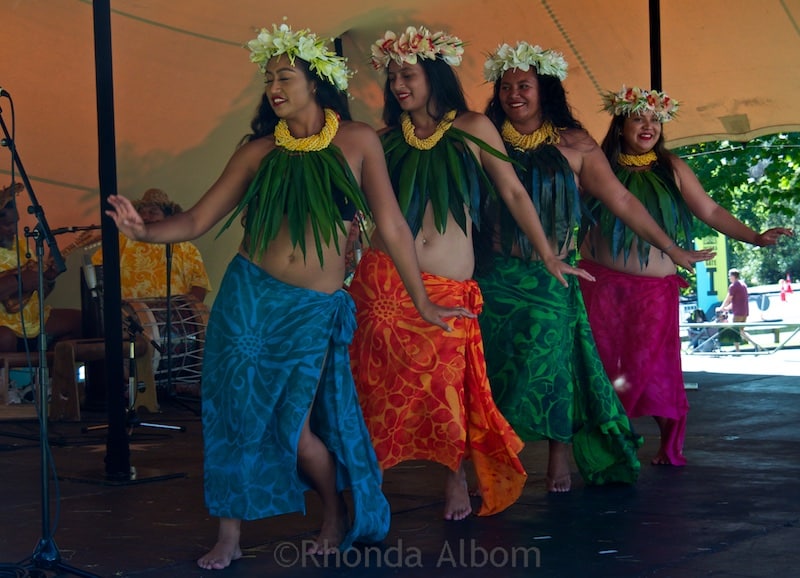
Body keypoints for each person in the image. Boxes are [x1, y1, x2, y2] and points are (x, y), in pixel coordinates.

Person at [104, 23, 467, 570]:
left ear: (317, 81)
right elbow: (201, 217)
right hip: (248, 299)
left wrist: (422, 301)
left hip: (310, 310)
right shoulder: (259, 151)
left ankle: (333, 512)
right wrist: (145, 231)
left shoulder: (359, 140)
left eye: (285, 76)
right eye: (269, 78)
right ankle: (229, 532)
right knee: (231, 413)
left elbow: (391, 227)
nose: (273, 87)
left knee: (291, 425)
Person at [349, 27, 589, 519]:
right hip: (384, 281)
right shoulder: (385, 140)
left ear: (433, 75)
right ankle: (368, 481)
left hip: (447, 283)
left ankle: (453, 476)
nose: (397, 84)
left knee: (447, 387)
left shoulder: (473, 126)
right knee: (376, 385)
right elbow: (358, 210)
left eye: (408, 74)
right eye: (392, 76)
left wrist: (546, 253)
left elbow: (513, 192)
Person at [476, 42, 711, 493]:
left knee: (558, 367)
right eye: (505, 87)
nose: (513, 94)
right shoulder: (485, 136)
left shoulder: (575, 144)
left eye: (523, 85)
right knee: (493, 369)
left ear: (544, 89)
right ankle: (491, 464)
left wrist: (671, 248)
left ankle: (559, 456)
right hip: (498, 273)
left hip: (553, 275)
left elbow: (620, 199)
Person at [579, 85, 793, 466]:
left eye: (655, 120)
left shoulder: (672, 168)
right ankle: (611, 442)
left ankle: (667, 440)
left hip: (653, 293)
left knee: (652, 364)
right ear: (620, 123)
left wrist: (755, 237)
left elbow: (709, 211)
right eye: (638, 118)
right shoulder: (598, 166)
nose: (648, 126)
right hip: (602, 287)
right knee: (605, 365)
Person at [0, 182, 82, 355]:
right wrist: (19, 281)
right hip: (3, 325)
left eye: (16, 223)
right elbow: (22, 283)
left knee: (81, 320)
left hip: (33, 318)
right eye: (7, 225)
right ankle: (11, 382)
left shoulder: (21, 245)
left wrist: (49, 278)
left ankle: (52, 376)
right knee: (4, 337)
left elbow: (38, 295)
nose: (14, 230)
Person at [92, 188, 211, 303]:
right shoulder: (121, 239)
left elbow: (199, 286)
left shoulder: (186, 248)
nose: (145, 217)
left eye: (153, 212)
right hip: (124, 317)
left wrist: (183, 314)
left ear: (167, 216)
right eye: (141, 212)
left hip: (171, 320)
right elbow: (95, 272)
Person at [718, 268, 750, 351]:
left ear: (733, 276)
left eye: (729, 276)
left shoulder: (733, 286)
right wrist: (727, 308)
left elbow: (728, 298)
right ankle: (756, 345)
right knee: (741, 331)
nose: (729, 278)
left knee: (735, 332)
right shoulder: (743, 285)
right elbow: (737, 300)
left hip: (738, 313)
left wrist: (721, 308)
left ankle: (737, 351)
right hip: (744, 312)